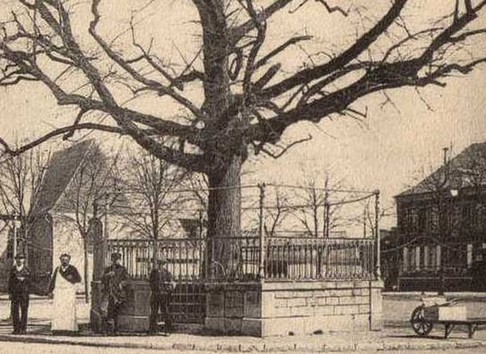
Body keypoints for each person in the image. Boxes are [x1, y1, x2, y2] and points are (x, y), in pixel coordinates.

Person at [47, 254, 82, 335]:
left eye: (66, 260)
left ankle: (70, 329)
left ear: (69, 260)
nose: (64, 261)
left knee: (69, 310)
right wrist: (50, 291)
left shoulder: (73, 269)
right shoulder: (57, 269)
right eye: (63, 259)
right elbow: (53, 281)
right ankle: (58, 329)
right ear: (60, 260)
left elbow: (79, 279)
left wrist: (72, 278)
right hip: (59, 292)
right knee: (59, 310)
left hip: (69, 292)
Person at [102, 252, 129, 334]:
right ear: (112, 260)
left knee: (116, 312)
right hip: (109, 293)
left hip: (118, 293)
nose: (116, 261)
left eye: (117, 260)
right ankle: (108, 330)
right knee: (107, 311)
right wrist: (107, 275)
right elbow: (102, 279)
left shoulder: (122, 269)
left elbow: (127, 280)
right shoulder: (108, 269)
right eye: (114, 259)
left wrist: (122, 283)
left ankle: (116, 329)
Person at [148, 258, 175, 335]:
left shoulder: (167, 273)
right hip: (155, 295)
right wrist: (155, 288)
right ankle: (152, 330)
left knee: (166, 312)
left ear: (164, 265)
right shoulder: (153, 273)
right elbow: (150, 283)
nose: (160, 266)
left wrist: (168, 285)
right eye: (159, 264)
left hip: (164, 295)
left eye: (162, 264)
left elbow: (171, 282)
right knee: (153, 313)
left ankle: (168, 330)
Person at [8, 254, 30, 335]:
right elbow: (10, 282)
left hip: (24, 293)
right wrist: (10, 293)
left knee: (24, 311)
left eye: (21, 259)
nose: (19, 260)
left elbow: (31, 280)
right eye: (18, 259)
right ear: (15, 260)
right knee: (15, 311)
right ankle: (16, 329)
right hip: (15, 293)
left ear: (24, 260)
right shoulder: (13, 269)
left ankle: (23, 329)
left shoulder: (27, 269)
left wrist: (25, 279)